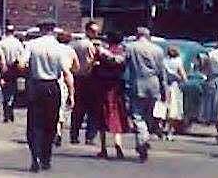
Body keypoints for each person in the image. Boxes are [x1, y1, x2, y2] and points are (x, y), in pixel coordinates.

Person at [19, 19, 75, 173]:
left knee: (34, 124)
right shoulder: (59, 48)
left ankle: (34, 157)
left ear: (40, 29)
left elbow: (21, 64)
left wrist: (29, 72)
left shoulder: (31, 45)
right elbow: (67, 72)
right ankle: (46, 157)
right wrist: (71, 93)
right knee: (50, 123)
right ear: (53, 29)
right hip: (52, 86)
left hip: (36, 85)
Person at [124, 27, 168, 162]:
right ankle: (145, 138)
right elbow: (162, 71)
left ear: (137, 35)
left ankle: (142, 140)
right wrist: (164, 88)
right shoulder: (158, 50)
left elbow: (124, 64)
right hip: (153, 84)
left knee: (137, 115)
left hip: (137, 84)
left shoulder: (130, 48)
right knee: (149, 114)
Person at [93, 31, 131, 159]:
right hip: (117, 88)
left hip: (102, 87)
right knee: (117, 115)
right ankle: (118, 144)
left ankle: (103, 148)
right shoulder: (123, 54)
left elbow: (95, 67)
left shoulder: (102, 53)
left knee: (102, 115)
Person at [70, 20, 100, 145]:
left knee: (78, 109)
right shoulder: (89, 45)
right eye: (93, 31)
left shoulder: (74, 44)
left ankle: (74, 134)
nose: (96, 34)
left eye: (97, 31)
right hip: (89, 78)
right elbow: (91, 62)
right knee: (92, 109)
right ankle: (89, 136)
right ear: (87, 31)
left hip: (77, 78)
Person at [55, 30, 80, 146]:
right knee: (62, 107)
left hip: (53, 77)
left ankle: (56, 131)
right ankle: (59, 130)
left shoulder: (54, 48)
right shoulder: (71, 51)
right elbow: (76, 67)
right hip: (65, 79)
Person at [0, 24, 25, 123]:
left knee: (4, 89)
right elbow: (22, 57)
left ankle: (6, 112)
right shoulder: (18, 43)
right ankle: (11, 108)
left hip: (4, 67)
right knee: (13, 89)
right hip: (14, 68)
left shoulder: (2, 43)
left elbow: (0, 56)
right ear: (13, 32)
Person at [163, 46, 187, 140]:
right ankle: (169, 132)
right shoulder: (178, 61)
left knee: (163, 108)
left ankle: (160, 129)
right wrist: (182, 79)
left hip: (165, 86)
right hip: (174, 86)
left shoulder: (164, 61)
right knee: (173, 110)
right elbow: (183, 76)